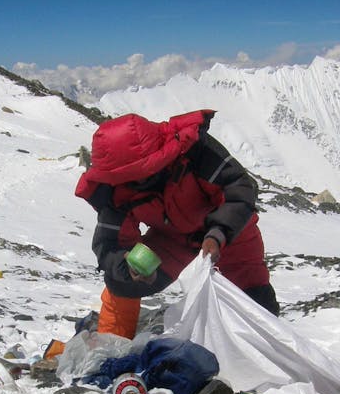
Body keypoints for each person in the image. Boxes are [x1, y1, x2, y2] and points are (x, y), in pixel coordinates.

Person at [75, 109, 279, 339]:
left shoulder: (193, 151)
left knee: (256, 304)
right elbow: (111, 243)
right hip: (172, 240)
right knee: (121, 283)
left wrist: (217, 234)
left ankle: (264, 350)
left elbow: (238, 191)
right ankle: (112, 345)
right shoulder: (117, 189)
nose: (136, 182)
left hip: (229, 233)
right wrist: (128, 267)